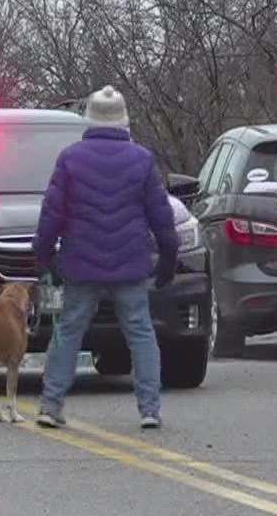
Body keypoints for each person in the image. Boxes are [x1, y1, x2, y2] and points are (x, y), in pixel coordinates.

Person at [32, 86, 178, 430]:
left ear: (89, 120)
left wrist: (43, 256)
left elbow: (52, 213)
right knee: (140, 332)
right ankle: (149, 409)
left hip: (80, 263)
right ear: (124, 121)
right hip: (129, 263)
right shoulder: (142, 160)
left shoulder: (70, 158)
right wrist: (168, 259)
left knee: (68, 331)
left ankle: (51, 405)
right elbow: (161, 215)